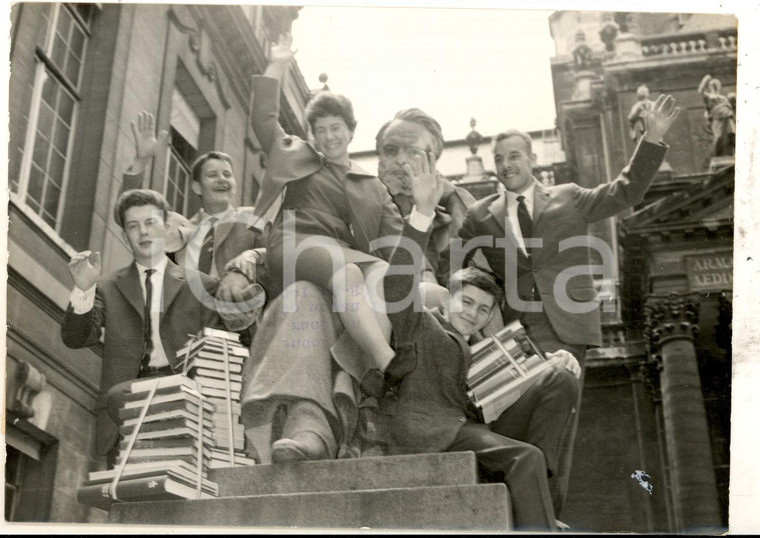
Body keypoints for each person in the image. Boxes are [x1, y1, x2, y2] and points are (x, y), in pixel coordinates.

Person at [458, 93, 680, 512]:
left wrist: (651, 139)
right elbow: (458, 264)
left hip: (565, 327)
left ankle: (543, 511)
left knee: (559, 427)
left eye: (515, 156)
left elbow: (625, 191)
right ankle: (535, 508)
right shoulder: (480, 215)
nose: (507, 165)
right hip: (514, 333)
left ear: (531, 158)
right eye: (500, 158)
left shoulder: (570, 196)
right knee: (521, 419)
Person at [250, 33, 404, 389]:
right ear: (313, 136)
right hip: (294, 244)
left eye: (336, 128)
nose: (329, 137)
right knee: (349, 273)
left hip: (337, 255)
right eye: (321, 131)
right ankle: (384, 362)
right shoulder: (297, 155)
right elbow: (263, 120)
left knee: (381, 271)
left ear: (351, 131)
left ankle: (365, 374)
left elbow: (398, 247)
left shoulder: (373, 187)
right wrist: (277, 64)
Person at [60, 189, 224, 465]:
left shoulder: (202, 286)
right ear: (125, 237)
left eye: (150, 223)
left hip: (185, 409)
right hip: (123, 415)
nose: (143, 233)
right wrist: (83, 288)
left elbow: (216, 357)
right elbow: (75, 338)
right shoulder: (107, 287)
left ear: (167, 227)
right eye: (133, 226)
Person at [123, 112, 270, 340]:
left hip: (240, 332)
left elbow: (278, 254)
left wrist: (252, 255)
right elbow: (130, 213)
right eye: (212, 175)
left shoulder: (252, 219)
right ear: (198, 187)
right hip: (184, 334)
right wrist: (141, 161)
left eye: (227, 175)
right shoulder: (176, 228)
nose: (222, 179)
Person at [375, 108, 476, 286]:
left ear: (432, 160)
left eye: (412, 152)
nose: (400, 160)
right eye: (391, 150)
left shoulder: (459, 206)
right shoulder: (362, 202)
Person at [697, 74, 736, 158]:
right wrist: (706, 78)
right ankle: (717, 156)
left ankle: (733, 154)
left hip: (728, 116)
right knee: (718, 137)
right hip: (717, 118)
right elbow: (700, 90)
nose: (714, 86)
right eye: (712, 85)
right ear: (709, 87)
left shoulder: (723, 97)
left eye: (716, 85)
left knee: (732, 134)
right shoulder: (708, 96)